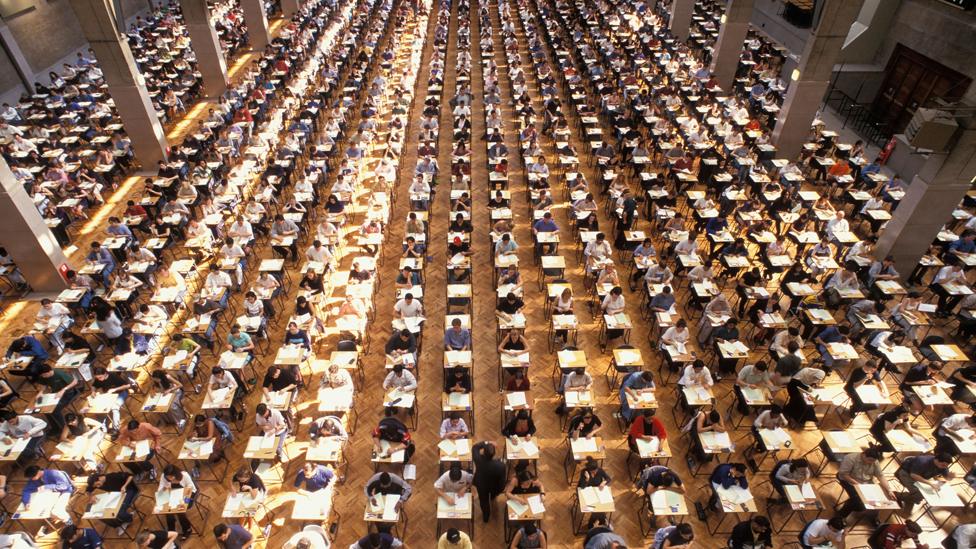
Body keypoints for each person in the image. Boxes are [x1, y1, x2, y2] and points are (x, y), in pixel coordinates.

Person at [837, 444, 892, 520]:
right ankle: (841, 516)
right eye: (869, 460)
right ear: (863, 454)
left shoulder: (874, 461)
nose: (871, 462)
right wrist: (858, 485)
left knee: (881, 497)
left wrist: (889, 490)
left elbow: (880, 476)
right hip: (849, 480)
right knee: (856, 499)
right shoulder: (850, 458)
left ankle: (873, 517)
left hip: (866, 483)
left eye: (873, 461)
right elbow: (844, 474)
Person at [85, 471, 138, 535]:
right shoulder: (95, 483)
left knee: (119, 512)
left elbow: (130, 476)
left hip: (128, 491)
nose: (97, 487)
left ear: (99, 478)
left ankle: (128, 519)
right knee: (102, 514)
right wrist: (91, 496)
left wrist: (124, 486)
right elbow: (87, 491)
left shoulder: (112, 476)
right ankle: (119, 524)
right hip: (115, 495)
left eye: (97, 484)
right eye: (96, 486)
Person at [157, 465, 197, 540]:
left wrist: (182, 497)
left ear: (175, 473)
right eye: (168, 477)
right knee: (168, 511)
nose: (169, 479)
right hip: (173, 495)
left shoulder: (184, 475)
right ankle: (171, 530)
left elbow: (191, 488)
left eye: (171, 477)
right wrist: (164, 489)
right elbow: (160, 488)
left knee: (180, 510)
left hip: (188, 495)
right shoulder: (164, 476)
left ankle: (187, 529)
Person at [472, 440, 506, 522]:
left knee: (484, 502)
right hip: (494, 487)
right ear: (494, 454)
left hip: (481, 485)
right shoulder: (501, 466)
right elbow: (502, 481)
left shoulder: (478, 459)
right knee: (493, 496)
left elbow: (475, 447)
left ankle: (486, 517)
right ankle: (493, 497)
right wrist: (499, 490)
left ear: (483, 452)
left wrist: (487, 442)